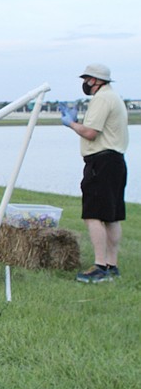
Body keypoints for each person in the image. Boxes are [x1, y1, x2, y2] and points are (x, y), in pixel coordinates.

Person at [59, 63, 129, 283]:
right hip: (116, 161)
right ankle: (112, 264)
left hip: (101, 163)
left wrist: (71, 124)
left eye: (87, 79)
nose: (85, 83)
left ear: (96, 80)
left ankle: (100, 267)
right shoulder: (114, 97)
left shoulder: (102, 99)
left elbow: (90, 133)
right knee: (112, 215)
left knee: (93, 215)